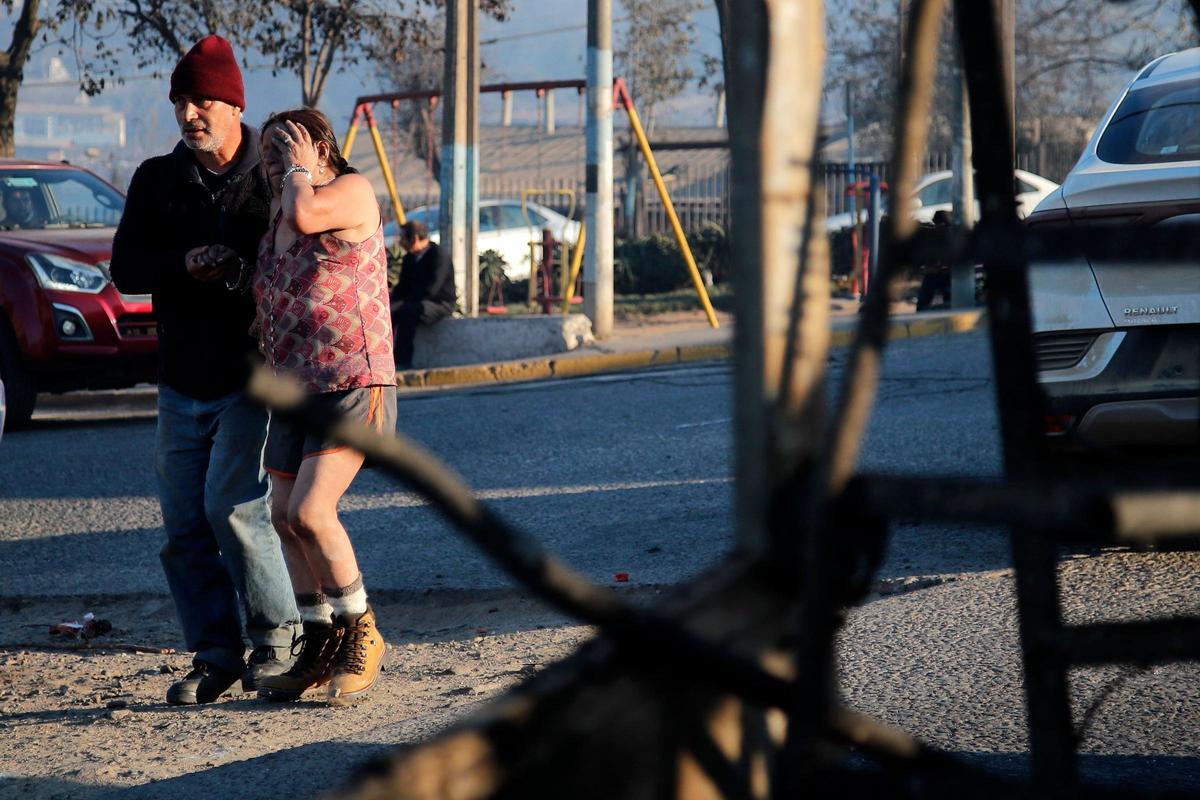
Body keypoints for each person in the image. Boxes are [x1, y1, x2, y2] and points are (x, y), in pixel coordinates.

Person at [109, 35, 300, 705]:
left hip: (250, 378)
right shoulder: (157, 179)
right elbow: (126, 268)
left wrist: (240, 273)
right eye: (182, 101)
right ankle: (215, 653)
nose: (191, 114)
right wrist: (185, 261)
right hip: (179, 381)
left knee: (235, 509)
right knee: (184, 524)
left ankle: (278, 643)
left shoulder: (267, 180)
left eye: (204, 102)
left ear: (234, 105)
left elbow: (296, 269)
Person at [251, 108, 395, 706]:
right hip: (293, 386)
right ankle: (318, 640)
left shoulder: (349, 191)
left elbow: (308, 211)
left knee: (312, 510)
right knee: (283, 516)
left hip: (352, 376)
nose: (276, 159)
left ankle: (362, 629)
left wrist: (300, 171)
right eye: (268, 151)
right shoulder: (279, 212)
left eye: (287, 145)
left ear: (321, 146)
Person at [389, 220, 456, 370]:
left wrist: (403, 303)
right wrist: (392, 303)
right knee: (391, 314)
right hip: (414, 301)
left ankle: (403, 360)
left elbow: (432, 289)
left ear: (414, 239)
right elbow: (403, 286)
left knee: (408, 312)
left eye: (403, 238)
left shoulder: (438, 255)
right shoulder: (409, 258)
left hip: (439, 302)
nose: (400, 242)